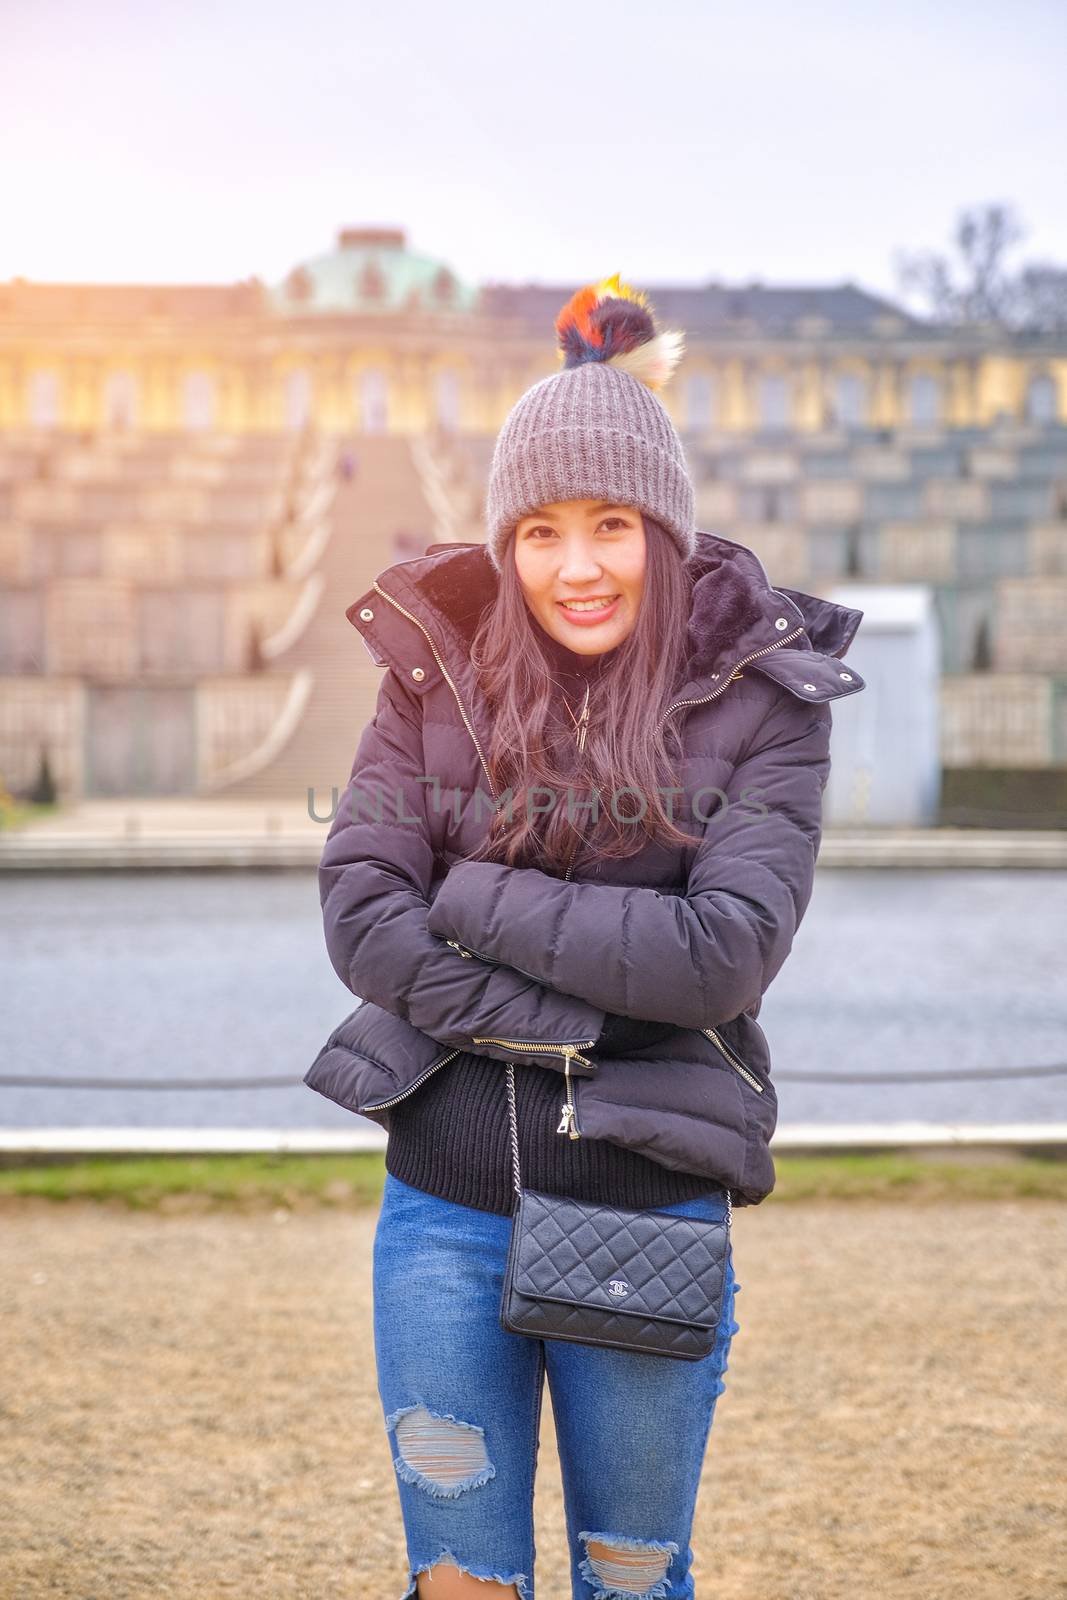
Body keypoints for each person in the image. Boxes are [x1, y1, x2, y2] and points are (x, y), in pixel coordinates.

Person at [308, 274, 868, 1600]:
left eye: (611, 525)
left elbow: (724, 953)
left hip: (648, 1209)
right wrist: (606, 1001)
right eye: (543, 530)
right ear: (505, 542)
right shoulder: (428, 675)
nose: (577, 567)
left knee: (630, 1579)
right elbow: (359, 914)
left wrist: (475, 898)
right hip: (442, 1212)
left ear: (661, 534)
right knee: (457, 1582)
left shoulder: (764, 699)